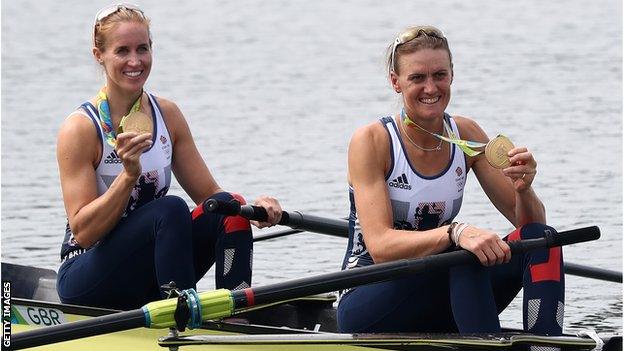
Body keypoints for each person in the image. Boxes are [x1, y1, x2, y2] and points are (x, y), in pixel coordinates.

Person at [338, 26, 564, 335]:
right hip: (368, 293)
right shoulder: (372, 141)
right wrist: (456, 232)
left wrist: (524, 189)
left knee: (544, 237)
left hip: (443, 285)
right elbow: (380, 246)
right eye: (417, 78)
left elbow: (528, 227)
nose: (430, 88)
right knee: (462, 253)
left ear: (452, 75)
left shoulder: (467, 134)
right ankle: (484, 339)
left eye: (439, 75)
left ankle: (547, 343)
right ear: (396, 82)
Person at [56, 4, 282, 310]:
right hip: (87, 275)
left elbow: (211, 198)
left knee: (230, 207)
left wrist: (256, 208)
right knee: (170, 208)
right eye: (122, 51)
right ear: (99, 55)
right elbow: (83, 233)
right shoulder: (81, 129)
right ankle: (183, 316)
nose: (135, 61)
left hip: (150, 268)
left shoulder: (168, 116)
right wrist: (129, 175)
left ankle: (237, 313)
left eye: (142, 49)